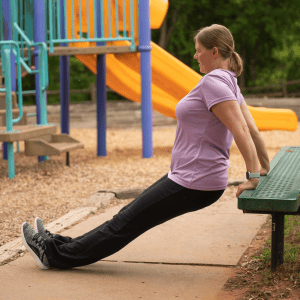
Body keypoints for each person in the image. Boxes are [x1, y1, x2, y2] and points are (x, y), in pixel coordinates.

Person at [21, 24, 270, 270]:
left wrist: (253, 176)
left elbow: (243, 132)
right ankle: (57, 245)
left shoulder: (213, 84)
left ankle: (52, 257)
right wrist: (266, 168)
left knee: (124, 224)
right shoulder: (230, 83)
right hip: (190, 177)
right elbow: (254, 131)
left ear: (214, 52)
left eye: (199, 50)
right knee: (125, 217)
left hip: (194, 181)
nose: (195, 56)